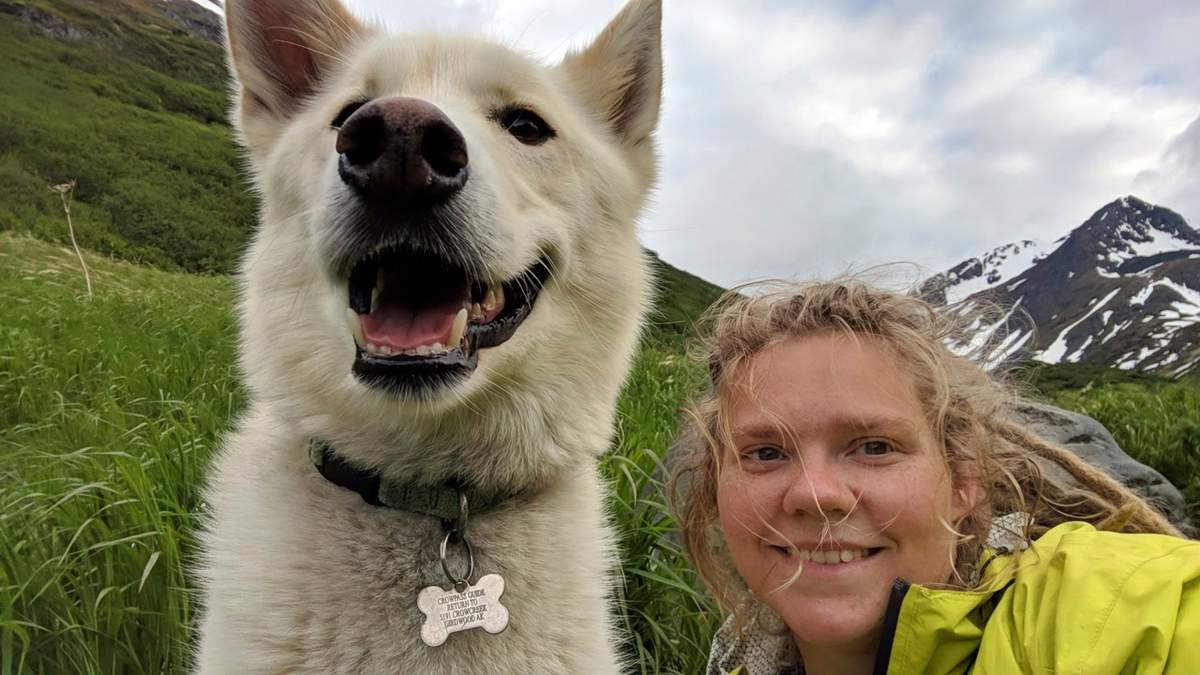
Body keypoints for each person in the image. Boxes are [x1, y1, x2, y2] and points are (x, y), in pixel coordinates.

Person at [669, 279, 1200, 675]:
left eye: (874, 447)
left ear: (964, 478)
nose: (816, 493)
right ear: (716, 487)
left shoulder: (1112, 605)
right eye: (764, 453)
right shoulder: (734, 663)